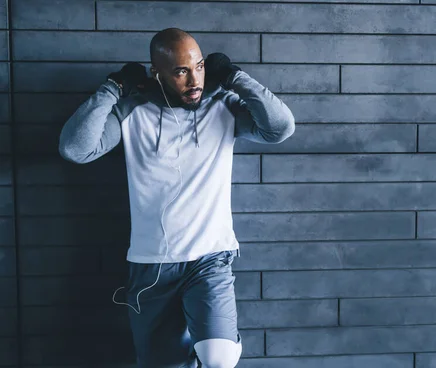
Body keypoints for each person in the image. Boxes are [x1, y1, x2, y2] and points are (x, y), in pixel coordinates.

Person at [58, 27, 295, 368]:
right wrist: (114, 87)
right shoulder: (131, 110)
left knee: (220, 358)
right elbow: (74, 149)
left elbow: (280, 127)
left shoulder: (223, 107)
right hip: (151, 265)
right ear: (157, 73)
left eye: (199, 66)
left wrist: (233, 76)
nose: (194, 79)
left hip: (209, 259)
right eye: (181, 71)